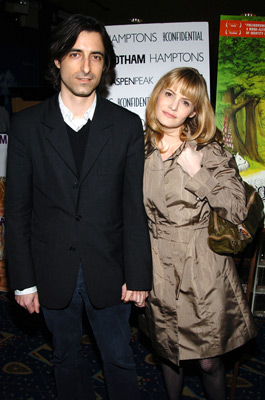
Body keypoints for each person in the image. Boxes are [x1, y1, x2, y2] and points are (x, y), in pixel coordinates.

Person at [5, 14, 152, 400]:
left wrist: (138, 275)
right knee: (65, 358)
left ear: (105, 66)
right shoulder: (27, 127)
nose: (86, 67)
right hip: (51, 269)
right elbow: (17, 212)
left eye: (96, 57)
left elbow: (133, 208)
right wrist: (23, 279)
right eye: (75, 54)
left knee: (120, 359)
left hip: (111, 270)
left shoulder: (125, 126)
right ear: (57, 60)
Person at [142, 67, 257, 400]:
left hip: (202, 265)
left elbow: (237, 209)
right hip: (157, 262)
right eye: (169, 94)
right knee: (168, 352)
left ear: (194, 111)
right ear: (158, 94)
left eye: (185, 101)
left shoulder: (209, 150)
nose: (174, 106)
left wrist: (198, 172)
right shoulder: (141, 147)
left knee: (208, 360)